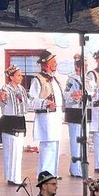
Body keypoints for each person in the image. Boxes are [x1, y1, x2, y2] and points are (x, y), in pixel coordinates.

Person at [29, 50, 63, 179]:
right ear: (46, 64)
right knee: (48, 146)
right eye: (53, 62)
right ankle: (44, 174)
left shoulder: (54, 79)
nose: (56, 64)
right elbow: (31, 100)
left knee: (55, 145)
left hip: (56, 116)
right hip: (46, 117)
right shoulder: (38, 79)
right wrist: (45, 103)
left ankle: (53, 173)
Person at [0, 65, 28, 186]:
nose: (21, 77)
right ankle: (11, 177)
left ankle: (15, 176)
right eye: (18, 75)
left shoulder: (21, 89)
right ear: (11, 77)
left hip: (20, 120)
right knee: (10, 151)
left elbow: (27, 102)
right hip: (9, 121)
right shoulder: (6, 89)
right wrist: (1, 98)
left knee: (18, 151)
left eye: (21, 75)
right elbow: (1, 102)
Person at [63, 54, 87, 178]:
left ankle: (81, 168)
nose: (86, 68)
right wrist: (74, 95)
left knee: (83, 142)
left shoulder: (88, 80)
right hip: (74, 112)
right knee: (76, 142)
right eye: (84, 66)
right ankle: (75, 168)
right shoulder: (72, 80)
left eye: (87, 66)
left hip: (85, 112)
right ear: (77, 67)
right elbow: (66, 94)